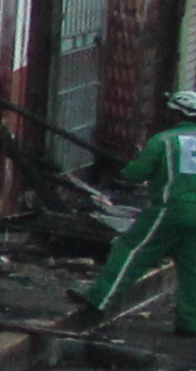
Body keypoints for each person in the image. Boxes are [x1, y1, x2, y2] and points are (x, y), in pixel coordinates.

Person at [83, 90, 196, 334]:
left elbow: (136, 173)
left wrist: (126, 168)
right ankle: (190, 323)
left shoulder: (163, 141)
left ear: (176, 114)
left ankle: (99, 300)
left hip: (170, 210)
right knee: (192, 269)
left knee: (130, 250)